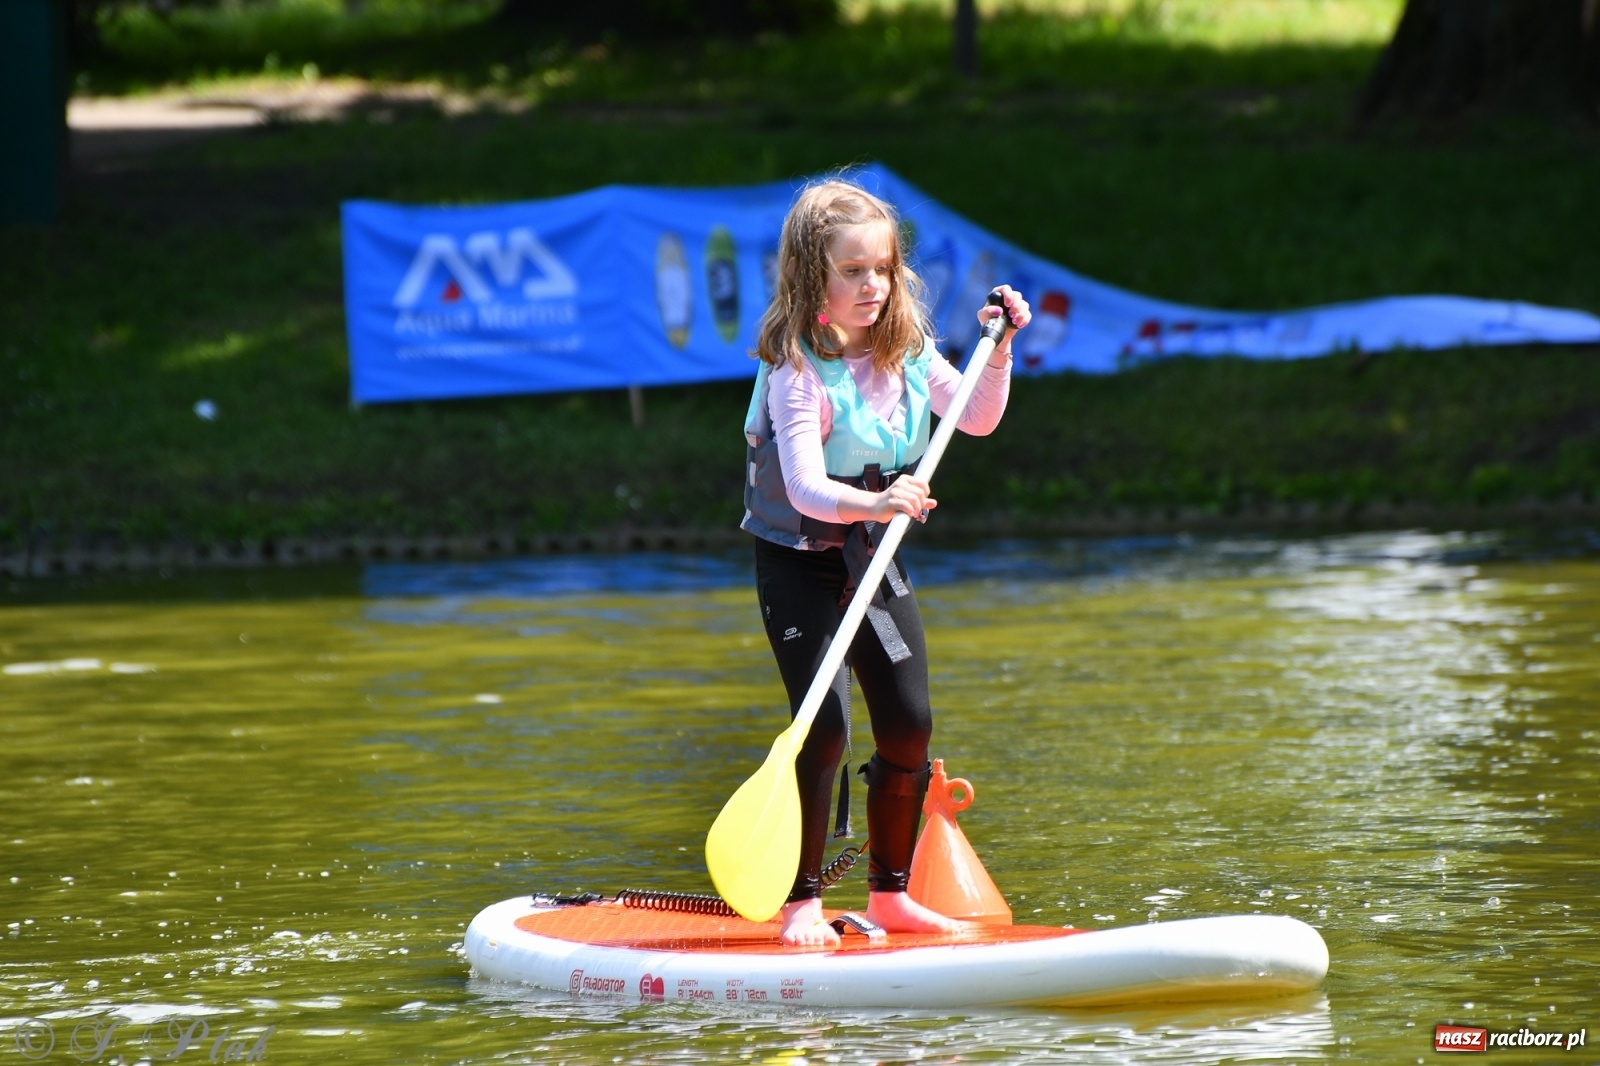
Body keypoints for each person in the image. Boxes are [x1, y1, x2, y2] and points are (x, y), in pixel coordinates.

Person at [740, 178, 1030, 946]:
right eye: (854, 271)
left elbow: (976, 417)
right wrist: (881, 502)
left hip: (875, 550)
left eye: (885, 269)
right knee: (824, 728)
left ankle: (892, 895)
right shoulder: (796, 370)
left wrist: (996, 351)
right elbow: (803, 486)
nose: (874, 286)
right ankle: (801, 900)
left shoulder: (905, 347)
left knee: (908, 725)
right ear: (812, 278)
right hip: (800, 561)